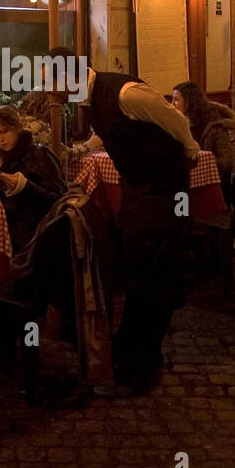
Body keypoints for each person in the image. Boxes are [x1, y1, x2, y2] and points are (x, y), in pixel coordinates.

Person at [54, 57, 200, 398]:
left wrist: (191, 148)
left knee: (155, 270)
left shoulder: (126, 93)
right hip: (137, 187)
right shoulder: (91, 99)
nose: (52, 93)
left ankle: (141, 361)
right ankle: (133, 352)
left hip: (163, 187)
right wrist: (80, 149)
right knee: (138, 267)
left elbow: (174, 118)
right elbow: (109, 133)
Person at [0, 105, 67, 253]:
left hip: (34, 228)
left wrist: (25, 186)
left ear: (17, 127)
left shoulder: (40, 154)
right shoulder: (0, 159)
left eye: (4, 132)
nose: (0, 140)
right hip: (3, 224)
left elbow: (59, 199)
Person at [173, 81, 235, 177]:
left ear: (189, 102)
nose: (172, 104)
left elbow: (227, 162)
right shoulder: (179, 123)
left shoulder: (215, 123)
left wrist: (202, 162)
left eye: (177, 100)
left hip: (214, 180)